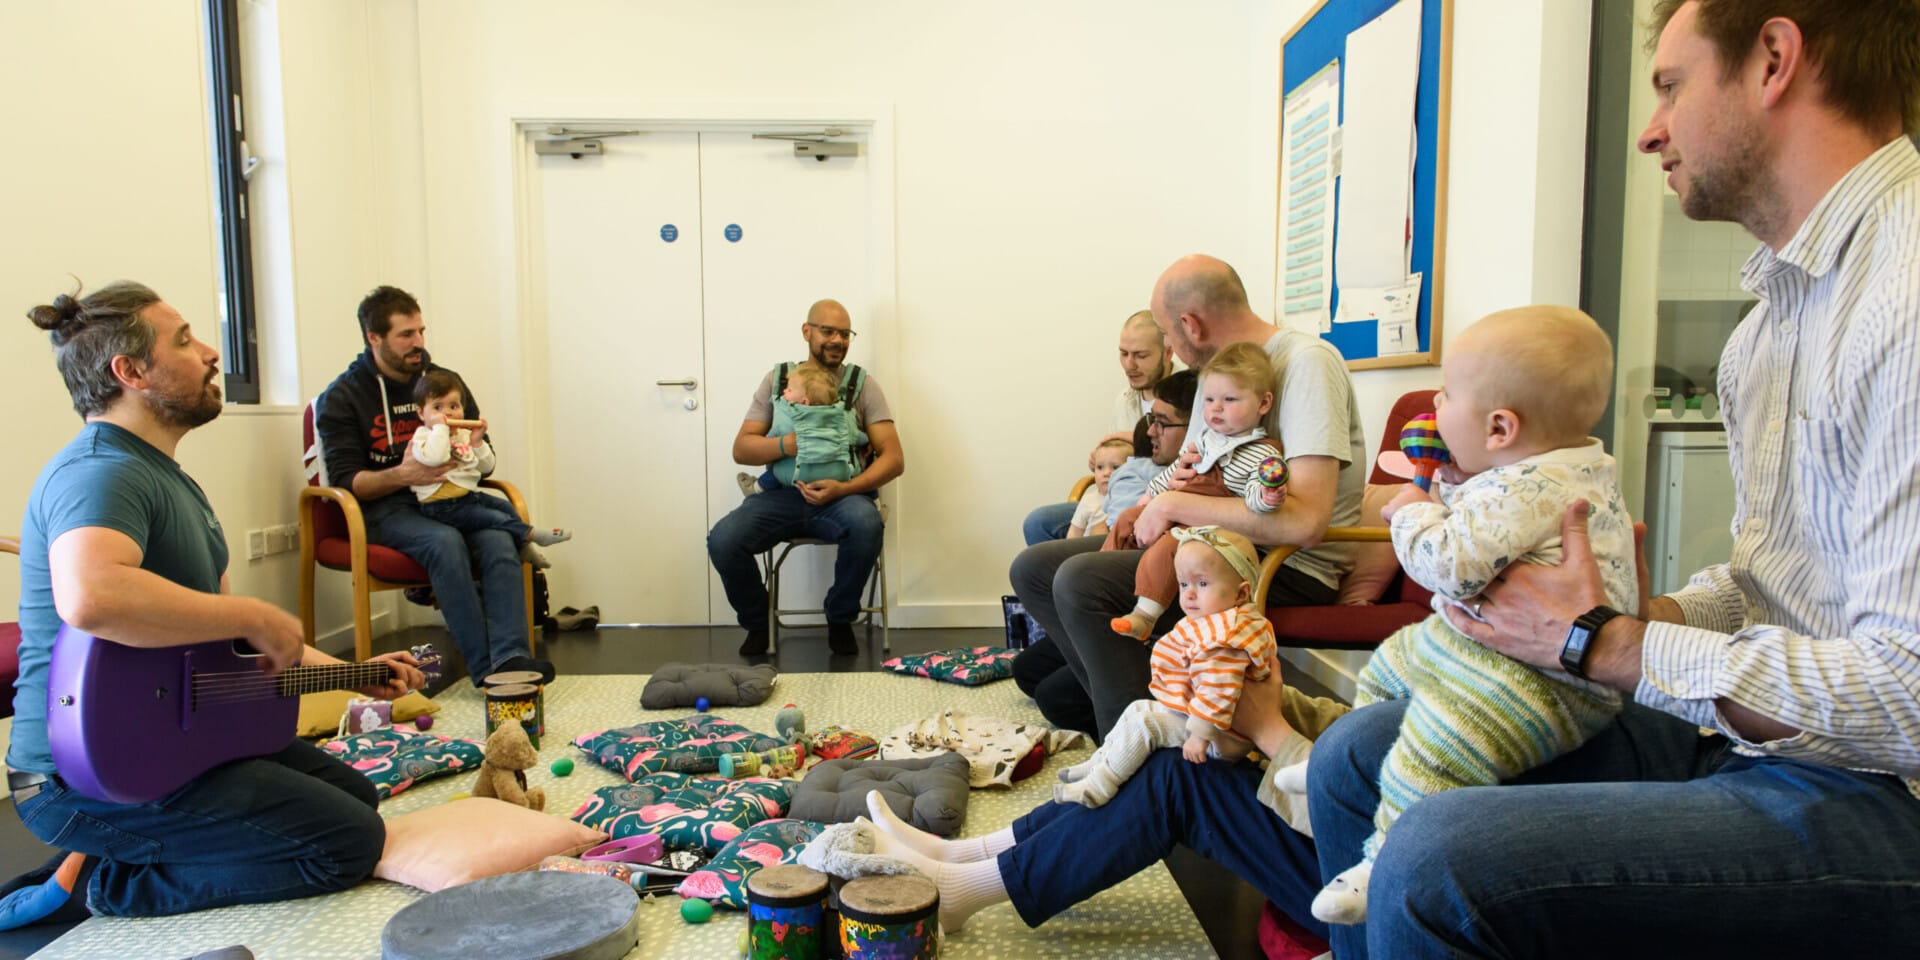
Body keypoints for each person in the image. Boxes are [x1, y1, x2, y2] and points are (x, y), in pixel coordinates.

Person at [1299, 3, 1920, 956]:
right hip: (1766, 738)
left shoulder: (1904, 295)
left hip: (1886, 791)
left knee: (1435, 857)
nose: (1648, 129)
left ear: (1774, 59)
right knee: (1353, 755)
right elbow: (1770, 589)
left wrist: (1605, 644)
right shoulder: (1766, 333)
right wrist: (1607, 612)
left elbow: (1907, 698)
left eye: (1671, 86)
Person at [0, 282, 426, 929]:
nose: (209, 353)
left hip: (171, 736)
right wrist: (255, 614)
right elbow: (91, 595)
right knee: (342, 844)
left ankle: (133, 852)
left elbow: (237, 651)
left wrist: (361, 674)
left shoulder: (168, 478)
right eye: (184, 340)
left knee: (356, 800)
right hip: (82, 774)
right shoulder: (98, 471)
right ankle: (105, 881)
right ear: (130, 371)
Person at [1278, 306, 1636, 924]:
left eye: (1444, 395)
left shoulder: (1525, 488)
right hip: (1485, 645)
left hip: (1543, 681)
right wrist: (1454, 487)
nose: (1432, 409)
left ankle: (1380, 859)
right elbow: (1493, 522)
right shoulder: (1563, 464)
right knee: (1392, 663)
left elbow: (1452, 564)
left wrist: (1412, 508)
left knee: (1438, 742)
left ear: (1500, 427)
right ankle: (1334, 762)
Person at [1010, 254, 1366, 742]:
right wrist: (1144, 508)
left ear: (1190, 325)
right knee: (1034, 568)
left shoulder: (1306, 363)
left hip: (1283, 565)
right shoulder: (1213, 380)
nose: (1171, 351)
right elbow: (1188, 475)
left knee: (1080, 581)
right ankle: (1152, 718)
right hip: (1206, 543)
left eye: (1166, 335)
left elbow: (1303, 523)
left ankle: (1138, 755)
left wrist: (1172, 508)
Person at [317, 285, 552, 686]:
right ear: (374, 338)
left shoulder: (442, 383)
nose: (419, 343)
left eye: (421, 331)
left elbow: (481, 453)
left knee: (497, 539)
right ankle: (486, 671)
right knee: (444, 542)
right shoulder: (342, 397)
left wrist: (472, 451)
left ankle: (513, 657)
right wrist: (403, 475)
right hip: (384, 508)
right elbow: (348, 482)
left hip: (451, 500)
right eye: (406, 335)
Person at [707, 299, 905, 656]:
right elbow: (742, 449)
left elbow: (893, 458)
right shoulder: (778, 380)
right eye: (828, 331)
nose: (837, 340)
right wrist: (791, 444)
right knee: (723, 539)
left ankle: (840, 617)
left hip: (844, 496)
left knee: (866, 523)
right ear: (807, 331)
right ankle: (757, 621)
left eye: (845, 334)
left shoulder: (863, 385)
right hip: (783, 494)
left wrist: (845, 487)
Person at [1057, 527, 1303, 812]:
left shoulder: (1227, 636)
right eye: (1183, 585)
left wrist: (1200, 735)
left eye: (1202, 584)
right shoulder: (1217, 618)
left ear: (1241, 593)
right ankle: (1101, 761)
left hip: (1223, 734)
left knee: (1146, 725)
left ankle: (1100, 785)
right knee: (1138, 708)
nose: (1189, 596)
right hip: (1214, 720)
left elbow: (1218, 689)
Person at [1013, 369, 1198, 737]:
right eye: (1151, 421)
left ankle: (1133, 741)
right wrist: (1140, 509)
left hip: (1180, 556)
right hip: (1143, 543)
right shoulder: (1170, 461)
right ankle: (1112, 690)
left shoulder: (1228, 457)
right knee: (1030, 567)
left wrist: (1160, 509)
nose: (1149, 433)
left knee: (1054, 692)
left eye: (1162, 423)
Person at [1107, 342, 1287, 640]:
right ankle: (1107, 567)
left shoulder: (1261, 452)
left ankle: (1144, 615)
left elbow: (1256, 493)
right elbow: (1174, 473)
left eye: (1229, 399)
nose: (1216, 408)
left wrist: (1268, 495)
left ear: (1263, 404)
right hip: (1180, 509)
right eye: (1210, 399)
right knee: (1127, 518)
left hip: (1210, 529)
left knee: (1170, 548)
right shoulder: (1205, 441)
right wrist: (1150, 497)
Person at [1022, 310, 1174, 545]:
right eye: (1123, 354)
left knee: (1072, 554)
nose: (1129, 365)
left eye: (1141, 355)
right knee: (1038, 523)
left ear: (1167, 353)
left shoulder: (1185, 396)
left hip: (1151, 502)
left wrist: (1135, 440)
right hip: (1113, 495)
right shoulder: (1124, 400)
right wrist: (1103, 460)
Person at [407, 369, 572, 569]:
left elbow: (486, 466)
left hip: (467, 498)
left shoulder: (462, 435)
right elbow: (436, 458)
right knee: (495, 518)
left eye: (453, 406)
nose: (448, 413)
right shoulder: (423, 437)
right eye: (437, 407)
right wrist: (440, 428)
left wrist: (477, 443)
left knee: (506, 507)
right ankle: (534, 534)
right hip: (441, 507)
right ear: (421, 413)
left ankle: (523, 547)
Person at [759, 362, 868, 487]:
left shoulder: (784, 418)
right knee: (858, 475)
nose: (784, 391)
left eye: (789, 389)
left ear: (804, 401)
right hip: (836, 478)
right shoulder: (842, 417)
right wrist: (867, 441)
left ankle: (756, 487)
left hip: (793, 478)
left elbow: (769, 440)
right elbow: (856, 436)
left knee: (772, 475)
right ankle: (872, 495)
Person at [1066, 439, 1132, 539]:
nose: (1106, 473)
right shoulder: (1088, 501)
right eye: (1100, 467)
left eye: (1115, 467)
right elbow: (1074, 534)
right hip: (1088, 549)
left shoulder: (1131, 499)